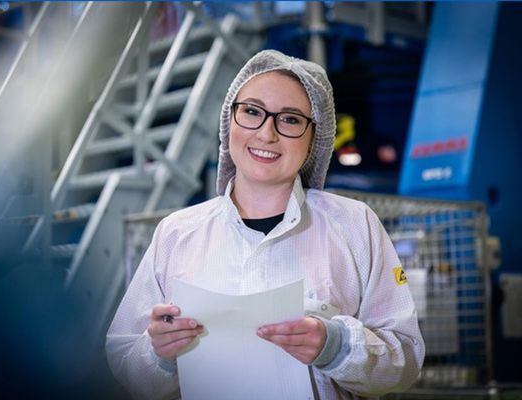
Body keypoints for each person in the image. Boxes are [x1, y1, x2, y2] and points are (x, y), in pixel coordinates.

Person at [106, 49, 425, 400]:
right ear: (230, 121)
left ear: (313, 139)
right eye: (253, 112)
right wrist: (161, 355)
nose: (266, 133)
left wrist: (335, 347)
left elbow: (405, 361)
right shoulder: (177, 233)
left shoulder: (354, 225)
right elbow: (125, 365)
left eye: (289, 119)